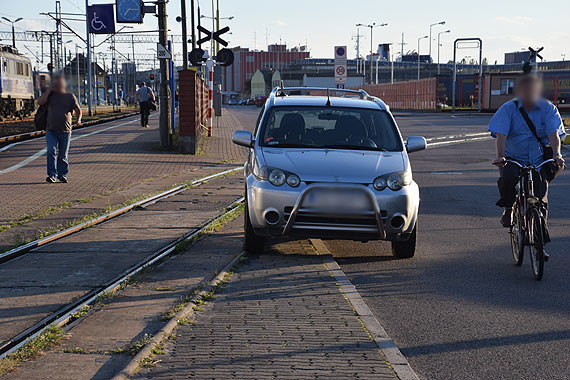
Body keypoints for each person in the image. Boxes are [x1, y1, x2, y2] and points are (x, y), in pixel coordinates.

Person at [489, 74, 565, 232]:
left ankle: (540, 239)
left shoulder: (548, 108)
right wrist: (500, 156)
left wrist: (556, 154)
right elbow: (501, 134)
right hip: (512, 156)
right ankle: (509, 208)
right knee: (508, 177)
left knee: (541, 195)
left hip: (538, 158)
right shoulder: (509, 109)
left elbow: (553, 134)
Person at [37, 75, 82, 183]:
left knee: (62, 155)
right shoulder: (50, 96)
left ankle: (62, 175)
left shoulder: (70, 96)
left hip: (65, 131)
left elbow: (78, 109)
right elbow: (39, 102)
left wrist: (78, 120)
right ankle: (52, 175)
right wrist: (48, 91)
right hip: (51, 130)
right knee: (51, 151)